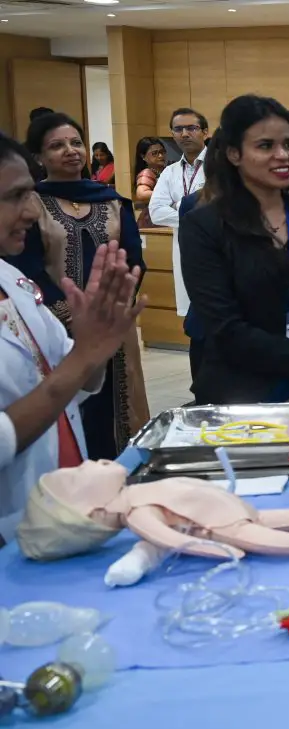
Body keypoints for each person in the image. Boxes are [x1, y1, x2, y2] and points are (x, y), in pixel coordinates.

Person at [0, 131, 145, 541]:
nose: (31, 211)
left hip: (55, 515)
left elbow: (69, 375)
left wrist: (93, 342)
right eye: (16, 196)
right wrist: (85, 355)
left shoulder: (12, 280)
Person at [179, 95, 289, 405]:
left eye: (288, 144)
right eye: (265, 146)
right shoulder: (205, 225)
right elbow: (226, 330)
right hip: (246, 394)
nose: (284, 155)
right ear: (234, 154)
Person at [11, 112, 149, 461]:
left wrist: (115, 306)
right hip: (53, 324)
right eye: (57, 146)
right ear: (39, 157)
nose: (70, 151)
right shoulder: (32, 205)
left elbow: (134, 259)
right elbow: (27, 267)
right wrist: (69, 314)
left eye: (76, 142)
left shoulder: (113, 202)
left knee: (118, 401)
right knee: (68, 400)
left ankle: (122, 473)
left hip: (114, 323)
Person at [148, 107, 209, 317]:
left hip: (217, 249)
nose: (184, 134)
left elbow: (222, 209)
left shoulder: (221, 166)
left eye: (191, 128)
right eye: (178, 129)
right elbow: (156, 212)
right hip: (183, 250)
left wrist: (177, 205)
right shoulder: (169, 172)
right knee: (192, 317)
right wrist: (195, 213)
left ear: (205, 132)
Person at [132, 136, 166, 228]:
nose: (161, 156)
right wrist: (169, 194)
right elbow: (142, 194)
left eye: (162, 152)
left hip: (162, 218)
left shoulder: (163, 171)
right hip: (151, 222)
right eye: (155, 153)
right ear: (143, 156)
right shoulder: (147, 172)